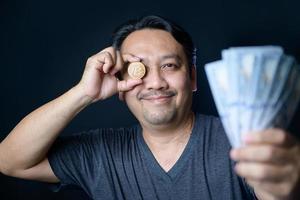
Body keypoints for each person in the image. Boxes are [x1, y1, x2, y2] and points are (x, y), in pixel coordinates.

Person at [0, 15, 299, 200]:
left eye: (169, 65)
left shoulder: (241, 138)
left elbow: (274, 190)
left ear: (192, 77)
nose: (155, 82)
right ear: (118, 84)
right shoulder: (99, 153)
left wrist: (284, 188)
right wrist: (84, 93)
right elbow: (10, 160)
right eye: (136, 70)